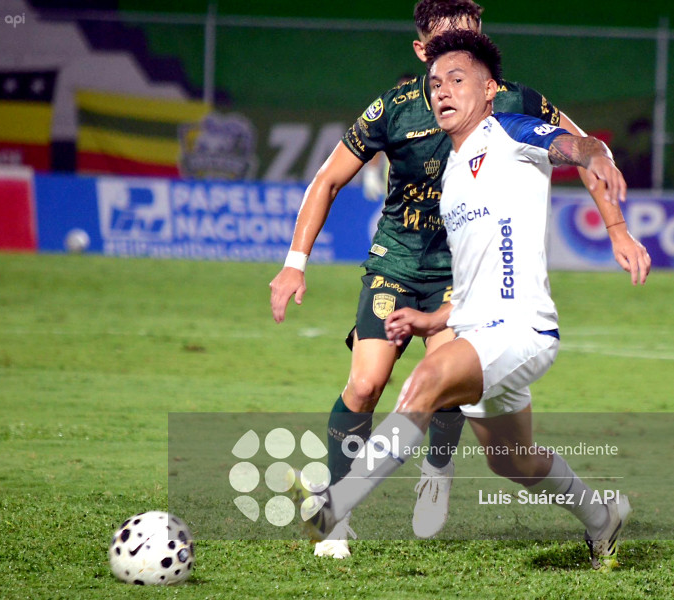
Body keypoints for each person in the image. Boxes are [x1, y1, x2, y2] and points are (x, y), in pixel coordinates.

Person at [270, 0, 650, 559]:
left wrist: (601, 178)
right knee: (512, 460)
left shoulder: (512, 129)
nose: (444, 89)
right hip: (474, 321)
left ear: (490, 88)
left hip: (519, 329)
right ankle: (603, 516)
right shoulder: (449, 172)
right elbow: (473, 276)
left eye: (459, 78)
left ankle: (333, 508)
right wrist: (429, 319)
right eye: (436, 80)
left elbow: (574, 145)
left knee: (423, 383)